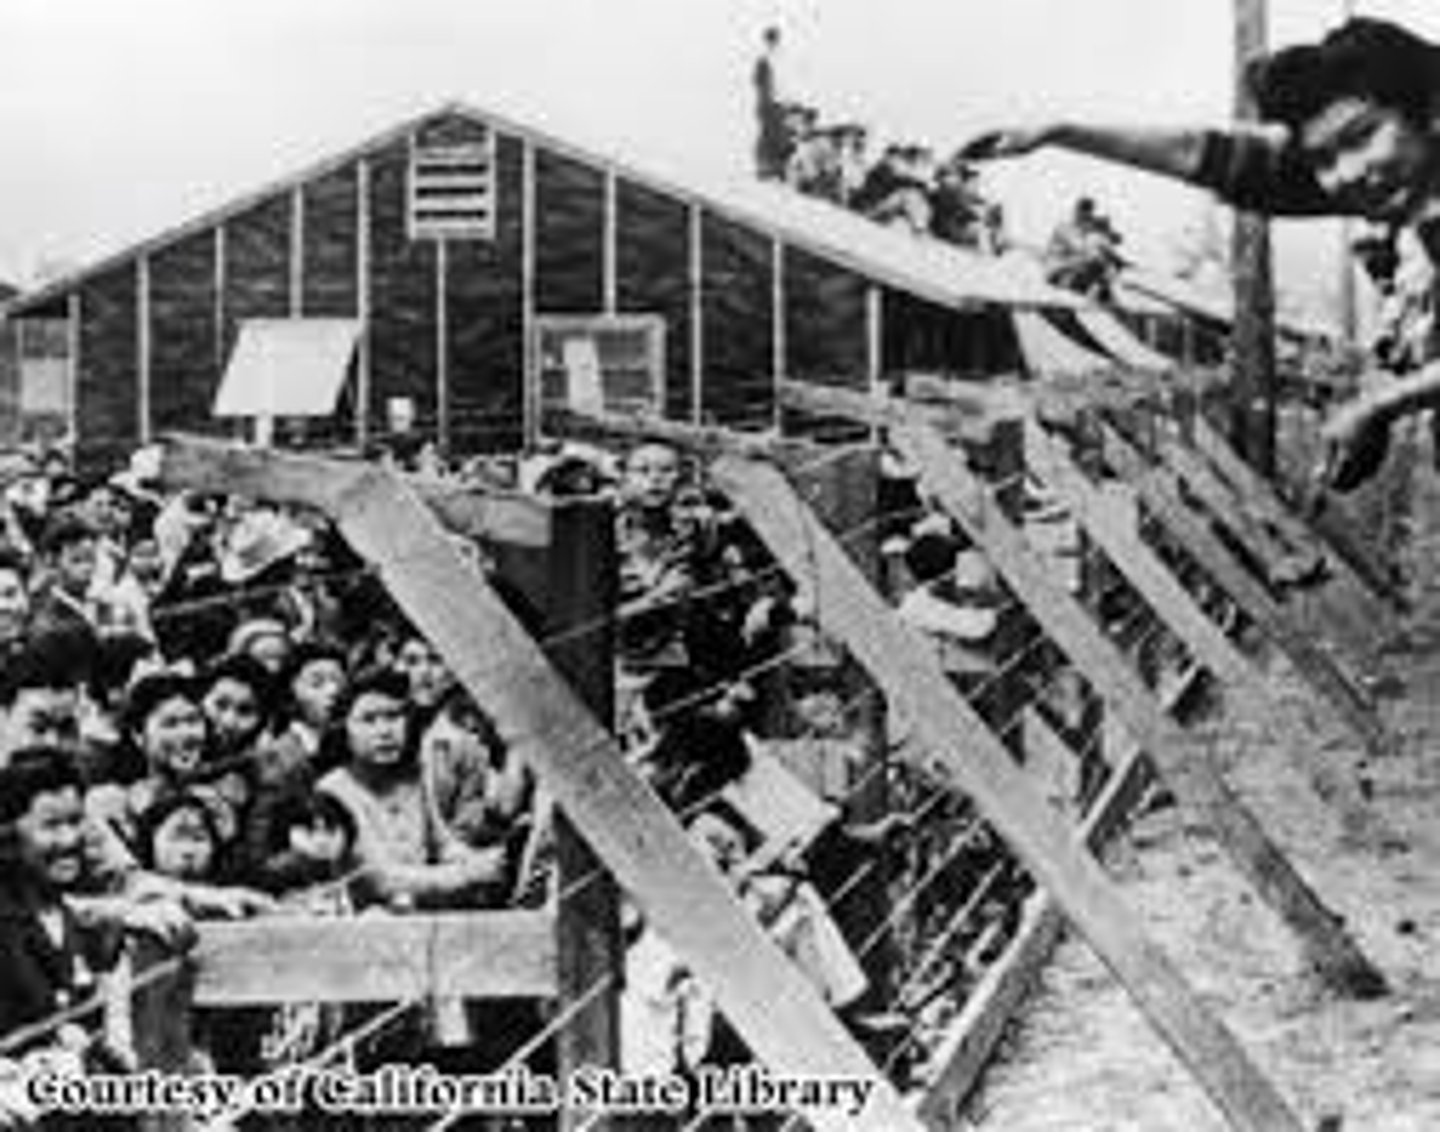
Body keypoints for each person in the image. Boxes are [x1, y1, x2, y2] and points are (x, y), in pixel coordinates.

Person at [960, 15, 1440, 490]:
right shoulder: (1404, 196)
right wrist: (1062, 133)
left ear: (1428, 110)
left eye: (1361, 136)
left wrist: (1378, 406)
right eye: (1322, 161)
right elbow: (1218, 158)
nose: (1347, 174)